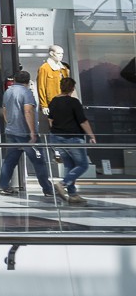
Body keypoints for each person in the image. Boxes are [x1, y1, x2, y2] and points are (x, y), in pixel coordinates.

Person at [0, 70, 52, 197]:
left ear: (15, 79)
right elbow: (28, 111)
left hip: (11, 132)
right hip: (25, 134)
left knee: (9, 161)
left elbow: (4, 110)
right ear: (28, 81)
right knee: (39, 161)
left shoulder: (8, 92)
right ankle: (47, 189)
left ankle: (3, 186)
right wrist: (33, 132)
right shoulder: (26, 93)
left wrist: (10, 123)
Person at [48, 76, 95, 205]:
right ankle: (62, 183)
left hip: (56, 137)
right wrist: (91, 135)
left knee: (70, 165)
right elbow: (83, 121)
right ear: (72, 88)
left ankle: (73, 194)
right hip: (72, 138)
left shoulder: (53, 101)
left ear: (61, 87)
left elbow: (50, 120)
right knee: (83, 165)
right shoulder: (74, 102)